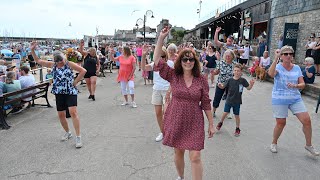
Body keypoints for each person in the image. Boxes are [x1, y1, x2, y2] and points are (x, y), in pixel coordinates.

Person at [154, 27, 215, 180]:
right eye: (185, 59)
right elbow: (156, 62)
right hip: (176, 117)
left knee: (195, 156)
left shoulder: (201, 79)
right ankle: (181, 176)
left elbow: (206, 103)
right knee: (178, 152)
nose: (188, 62)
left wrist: (211, 124)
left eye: (191, 59)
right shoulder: (174, 75)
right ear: (180, 61)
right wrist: (161, 38)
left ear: (195, 61)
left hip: (194, 120)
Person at [30, 41, 87, 149]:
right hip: (59, 92)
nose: (60, 63)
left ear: (63, 58)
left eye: (61, 61)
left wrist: (75, 82)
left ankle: (78, 137)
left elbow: (83, 71)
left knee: (73, 112)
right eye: (58, 62)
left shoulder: (69, 63)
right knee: (61, 115)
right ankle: (68, 132)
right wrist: (32, 50)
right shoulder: (53, 65)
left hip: (70, 91)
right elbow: (37, 60)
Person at [268, 46, 319, 156]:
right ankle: (274, 142)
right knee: (281, 123)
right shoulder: (277, 67)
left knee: (307, 120)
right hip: (279, 98)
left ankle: (308, 145)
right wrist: (275, 58)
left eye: (290, 54)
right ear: (281, 56)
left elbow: (302, 84)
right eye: (285, 54)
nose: (288, 56)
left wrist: (295, 85)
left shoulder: (296, 68)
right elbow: (271, 74)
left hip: (295, 98)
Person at [141, 44, 174, 142]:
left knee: (167, 112)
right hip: (156, 90)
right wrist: (143, 56)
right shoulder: (154, 64)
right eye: (159, 56)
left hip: (167, 90)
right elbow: (144, 68)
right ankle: (163, 132)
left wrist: (169, 91)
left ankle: (170, 132)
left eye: (163, 56)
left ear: (166, 56)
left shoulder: (170, 64)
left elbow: (174, 79)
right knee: (158, 113)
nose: (161, 59)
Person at [216, 64, 255, 136]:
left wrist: (251, 84)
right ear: (233, 71)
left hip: (237, 101)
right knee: (225, 113)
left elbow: (248, 88)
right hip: (229, 100)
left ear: (241, 72)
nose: (236, 72)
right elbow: (223, 86)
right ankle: (220, 123)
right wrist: (220, 85)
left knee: (236, 115)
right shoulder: (230, 80)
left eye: (238, 71)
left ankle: (237, 128)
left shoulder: (243, 80)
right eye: (235, 70)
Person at [212, 49, 236, 118]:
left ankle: (228, 112)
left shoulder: (234, 64)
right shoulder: (220, 63)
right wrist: (214, 72)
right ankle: (213, 111)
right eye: (226, 56)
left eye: (229, 56)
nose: (227, 57)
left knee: (230, 99)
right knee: (217, 97)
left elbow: (237, 74)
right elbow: (217, 72)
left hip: (231, 84)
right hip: (220, 83)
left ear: (232, 56)